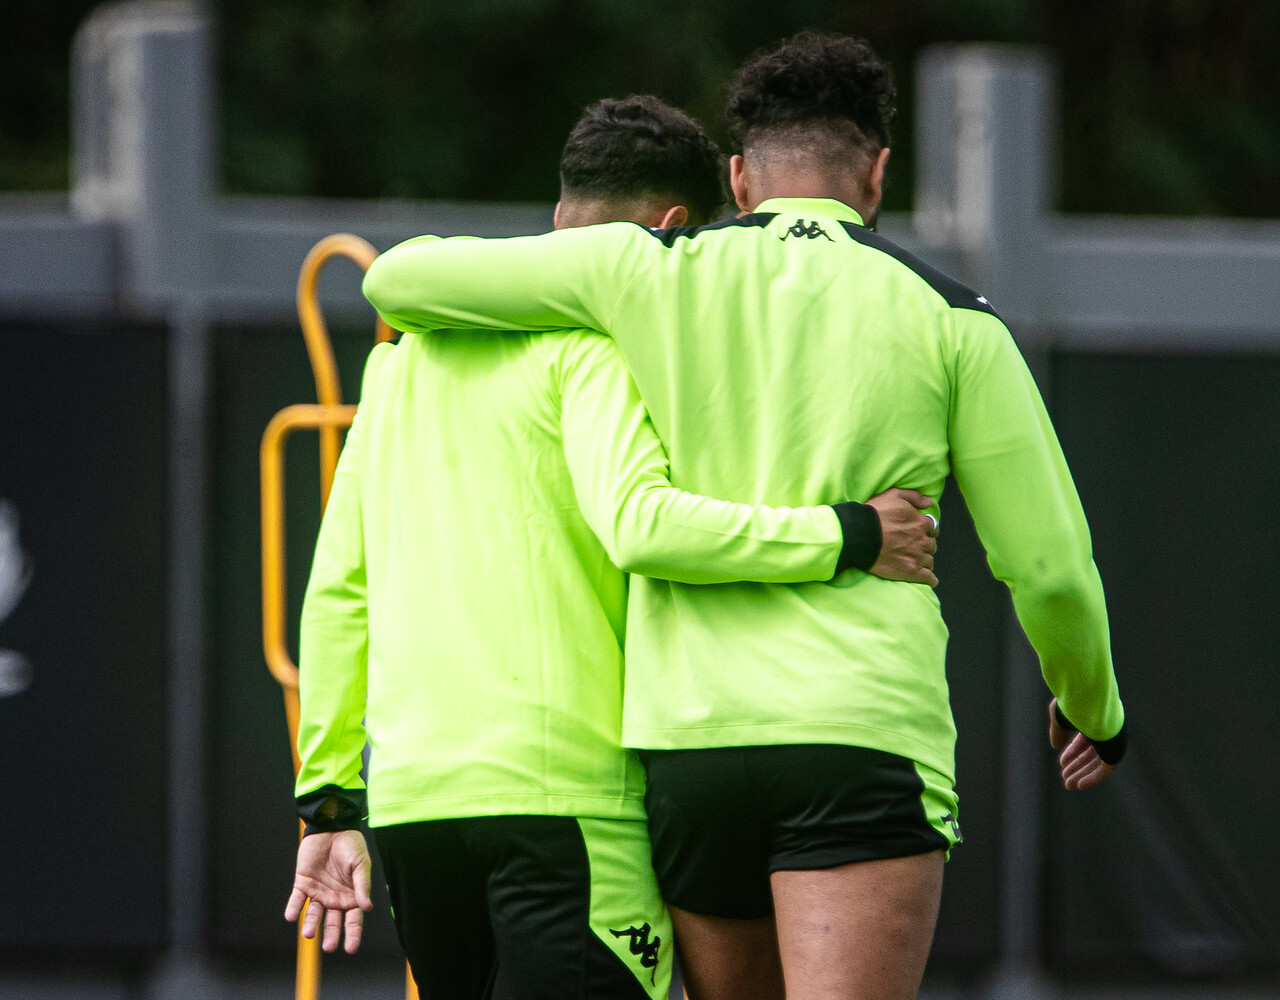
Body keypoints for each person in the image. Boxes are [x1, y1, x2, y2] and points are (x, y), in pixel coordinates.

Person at [361, 31, 1128, 1000]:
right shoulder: (952, 317)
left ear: (737, 176)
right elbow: (1048, 569)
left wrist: (595, 257)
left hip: (691, 748)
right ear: (877, 172)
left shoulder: (646, 270)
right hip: (858, 732)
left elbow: (396, 280)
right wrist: (1093, 708)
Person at [285, 94, 940, 1000]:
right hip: (570, 803)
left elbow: (338, 589)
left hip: (411, 807)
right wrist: (850, 531)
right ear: (672, 230)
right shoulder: (597, 347)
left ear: (561, 215)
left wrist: (328, 802)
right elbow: (644, 525)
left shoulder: (397, 366)